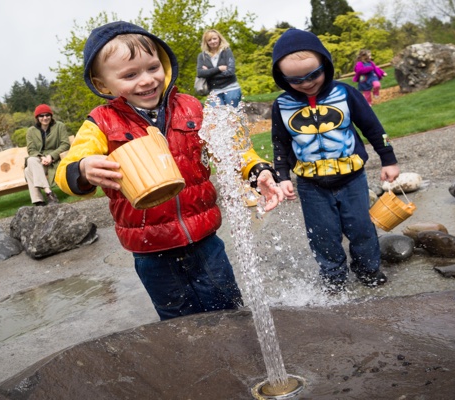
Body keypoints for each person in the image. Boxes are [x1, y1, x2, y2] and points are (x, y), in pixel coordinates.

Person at [55, 21, 284, 321]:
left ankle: (238, 361)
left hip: (204, 239)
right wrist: (82, 170)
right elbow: (64, 173)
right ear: (103, 84)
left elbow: (232, 149)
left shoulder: (190, 108)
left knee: (228, 309)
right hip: (151, 250)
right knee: (176, 320)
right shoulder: (101, 123)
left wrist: (258, 171)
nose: (147, 80)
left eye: (153, 68)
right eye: (130, 75)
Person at [270, 29, 400, 293]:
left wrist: (388, 159)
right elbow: (280, 144)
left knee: (362, 229)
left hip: (352, 178)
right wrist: (282, 177)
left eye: (313, 74)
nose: (306, 83)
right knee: (322, 235)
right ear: (281, 77)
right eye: (296, 79)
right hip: (311, 184)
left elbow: (373, 128)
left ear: (325, 65)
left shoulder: (345, 93)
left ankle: (368, 270)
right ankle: (333, 277)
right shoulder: (282, 105)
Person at [25, 104, 70, 206]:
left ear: (51, 115)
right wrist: (42, 158)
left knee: (28, 170)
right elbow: (31, 149)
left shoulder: (59, 126)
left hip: (55, 161)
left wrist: (51, 156)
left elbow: (65, 144)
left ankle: (38, 201)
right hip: (39, 161)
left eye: (47, 115)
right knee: (31, 160)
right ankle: (48, 192)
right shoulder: (31, 131)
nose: (45, 118)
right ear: (37, 118)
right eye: (41, 116)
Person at [196, 29, 242, 107]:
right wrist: (219, 69)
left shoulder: (226, 51)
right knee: (216, 116)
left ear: (219, 39)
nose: (212, 41)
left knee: (233, 116)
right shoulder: (202, 56)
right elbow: (200, 73)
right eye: (209, 40)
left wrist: (209, 73)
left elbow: (231, 72)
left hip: (231, 89)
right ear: (206, 42)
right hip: (214, 91)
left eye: (214, 38)